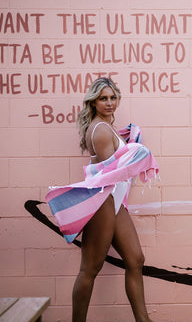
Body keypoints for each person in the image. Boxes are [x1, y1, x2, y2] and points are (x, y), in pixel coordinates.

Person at [45, 78, 158, 322]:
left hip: (114, 202)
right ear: (93, 102)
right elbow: (112, 172)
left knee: (135, 259)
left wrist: (129, 143)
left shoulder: (107, 128)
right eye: (103, 98)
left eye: (112, 98)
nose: (109, 103)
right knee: (90, 269)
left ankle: (144, 320)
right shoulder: (100, 130)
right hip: (102, 201)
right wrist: (139, 154)